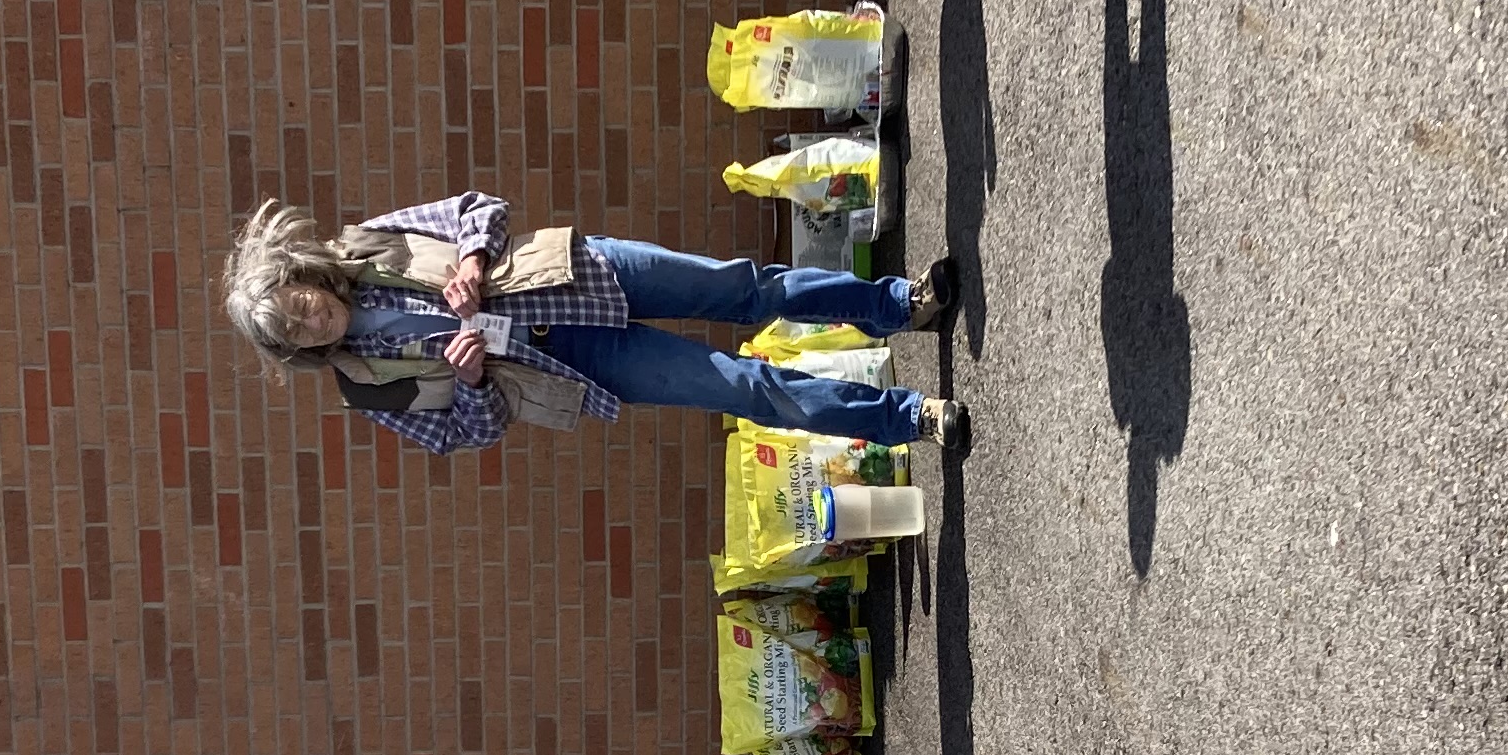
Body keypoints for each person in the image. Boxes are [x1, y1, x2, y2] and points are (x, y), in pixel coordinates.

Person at [219, 188, 966, 460]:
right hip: (569, 368)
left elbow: (476, 209)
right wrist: (473, 381)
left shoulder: (369, 242)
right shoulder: (365, 389)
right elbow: (460, 437)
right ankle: (912, 418)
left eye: (300, 303)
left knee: (745, 289)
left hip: (576, 275)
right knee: (748, 389)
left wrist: (475, 260)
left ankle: (898, 305)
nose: (312, 320)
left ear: (304, 274)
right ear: (301, 353)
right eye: (297, 333)